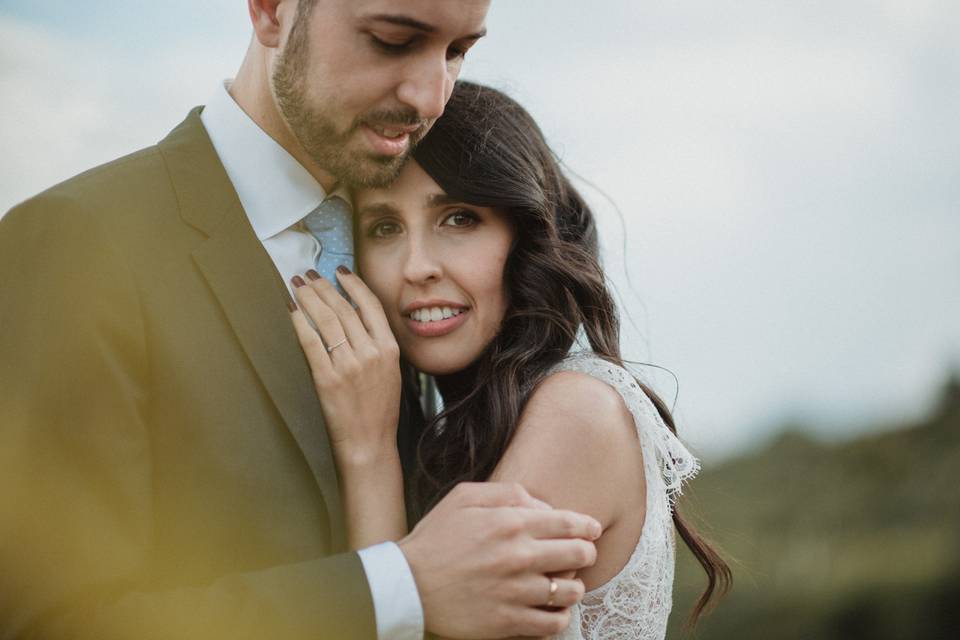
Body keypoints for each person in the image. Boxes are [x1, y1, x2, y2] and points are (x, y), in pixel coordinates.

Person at [0, 2, 604, 639]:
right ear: (271, 12)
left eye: (457, 52)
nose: (431, 97)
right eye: (393, 40)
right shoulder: (82, 243)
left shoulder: (419, 256)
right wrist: (399, 589)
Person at [288, 81, 733, 639]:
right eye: (384, 227)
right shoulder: (468, 422)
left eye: (459, 219)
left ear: (523, 237)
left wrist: (368, 452)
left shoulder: (578, 412)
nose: (416, 267)